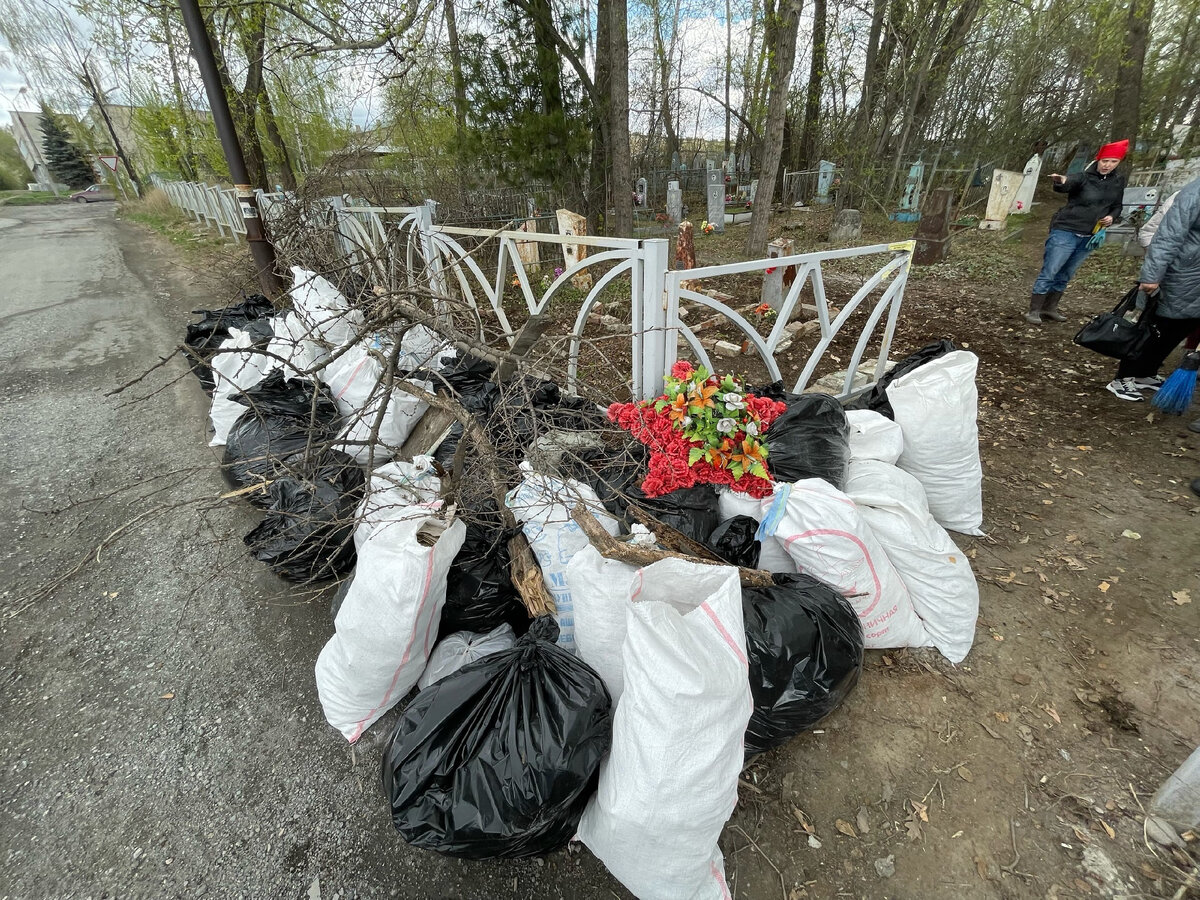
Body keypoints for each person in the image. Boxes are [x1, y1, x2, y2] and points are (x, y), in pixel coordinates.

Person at [1106, 175, 1200, 400]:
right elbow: (1168, 236)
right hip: (1180, 274)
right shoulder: (1194, 193)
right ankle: (1123, 378)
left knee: (1180, 329)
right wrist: (1152, 275)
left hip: (1197, 280)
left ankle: (1146, 373)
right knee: (1156, 327)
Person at [1026, 140, 1129, 324]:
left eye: (1113, 161)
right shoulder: (1083, 177)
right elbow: (1068, 183)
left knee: (1066, 273)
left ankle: (1049, 308)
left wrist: (1112, 217)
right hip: (1066, 230)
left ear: (1119, 162)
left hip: (1089, 235)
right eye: (1104, 160)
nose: (1107, 165)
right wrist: (1061, 181)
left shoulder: (1118, 182)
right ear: (1098, 159)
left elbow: (1117, 205)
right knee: (1051, 270)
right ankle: (1034, 311)